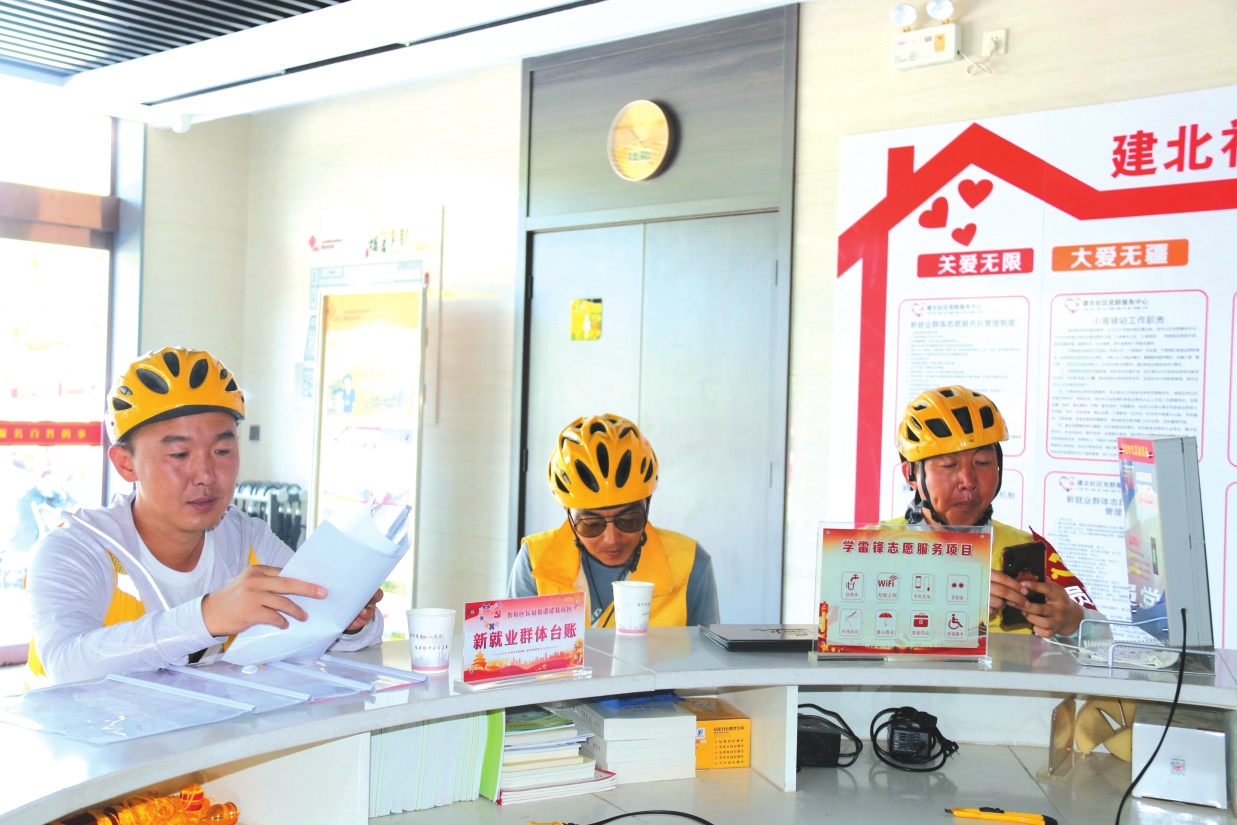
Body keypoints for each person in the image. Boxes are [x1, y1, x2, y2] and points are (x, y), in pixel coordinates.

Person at [26, 347, 383, 685]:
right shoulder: (74, 549)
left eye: (222, 450)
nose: (206, 475)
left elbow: (316, 627)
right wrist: (207, 616)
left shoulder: (247, 539)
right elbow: (66, 664)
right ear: (125, 463)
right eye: (179, 455)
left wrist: (349, 621)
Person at [893, 385, 1099, 638]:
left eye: (982, 463)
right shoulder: (867, 548)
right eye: (949, 465)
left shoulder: (1031, 550)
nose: (968, 481)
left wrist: (1073, 622)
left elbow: (1104, 643)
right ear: (911, 475)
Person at [507, 414, 719, 628]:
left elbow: (707, 650)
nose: (612, 539)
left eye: (629, 520)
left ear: (647, 503)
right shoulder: (534, 561)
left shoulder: (689, 563)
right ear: (568, 512)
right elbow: (514, 645)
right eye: (591, 524)